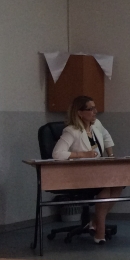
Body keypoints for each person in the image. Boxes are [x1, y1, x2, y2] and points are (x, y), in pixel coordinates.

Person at [52, 95, 123, 245]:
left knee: (118, 184)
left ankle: (94, 222)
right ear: (79, 112)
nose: (95, 112)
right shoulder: (71, 131)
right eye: (90, 109)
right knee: (105, 188)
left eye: (94, 108)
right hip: (79, 176)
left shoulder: (96, 125)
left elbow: (107, 137)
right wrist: (82, 155)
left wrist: (111, 156)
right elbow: (57, 154)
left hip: (98, 172)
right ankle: (100, 232)